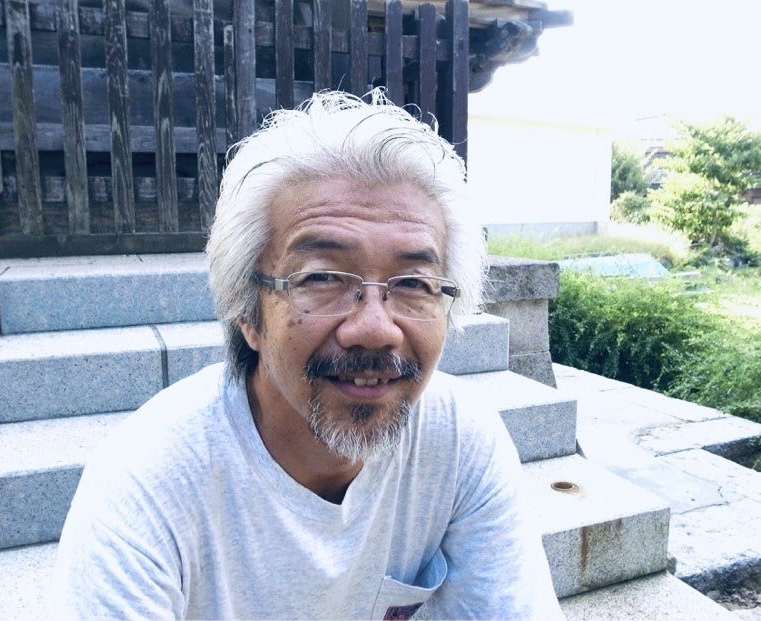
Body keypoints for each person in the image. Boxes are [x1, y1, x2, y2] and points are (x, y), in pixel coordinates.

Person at [53, 89, 563, 620]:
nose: (375, 329)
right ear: (248, 313)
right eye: (321, 278)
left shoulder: (459, 438)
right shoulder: (149, 483)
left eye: (413, 282)